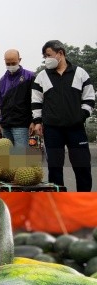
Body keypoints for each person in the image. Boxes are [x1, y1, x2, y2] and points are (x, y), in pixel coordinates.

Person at [31, 40, 95, 191]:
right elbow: (36, 100)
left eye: (49, 55)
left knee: (82, 167)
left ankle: (83, 203)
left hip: (76, 129)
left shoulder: (80, 73)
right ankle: (58, 204)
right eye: (44, 56)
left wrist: (81, 116)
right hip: (53, 130)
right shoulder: (42, 76)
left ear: (60, 53)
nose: (46, 59)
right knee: (54, 169)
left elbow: (89, 98)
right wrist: (38, 121)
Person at [0, 49, 35, 147]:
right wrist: (1, 122)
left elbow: (35, 100)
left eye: (13, 63)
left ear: (20, 60)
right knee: (7, 154)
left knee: (20, 156)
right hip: (6, 124)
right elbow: (2, 103)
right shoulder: (2, 80)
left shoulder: (30, 76)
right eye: (8, 63)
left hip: (21, 124)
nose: (10, 66)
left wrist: (34, 121)